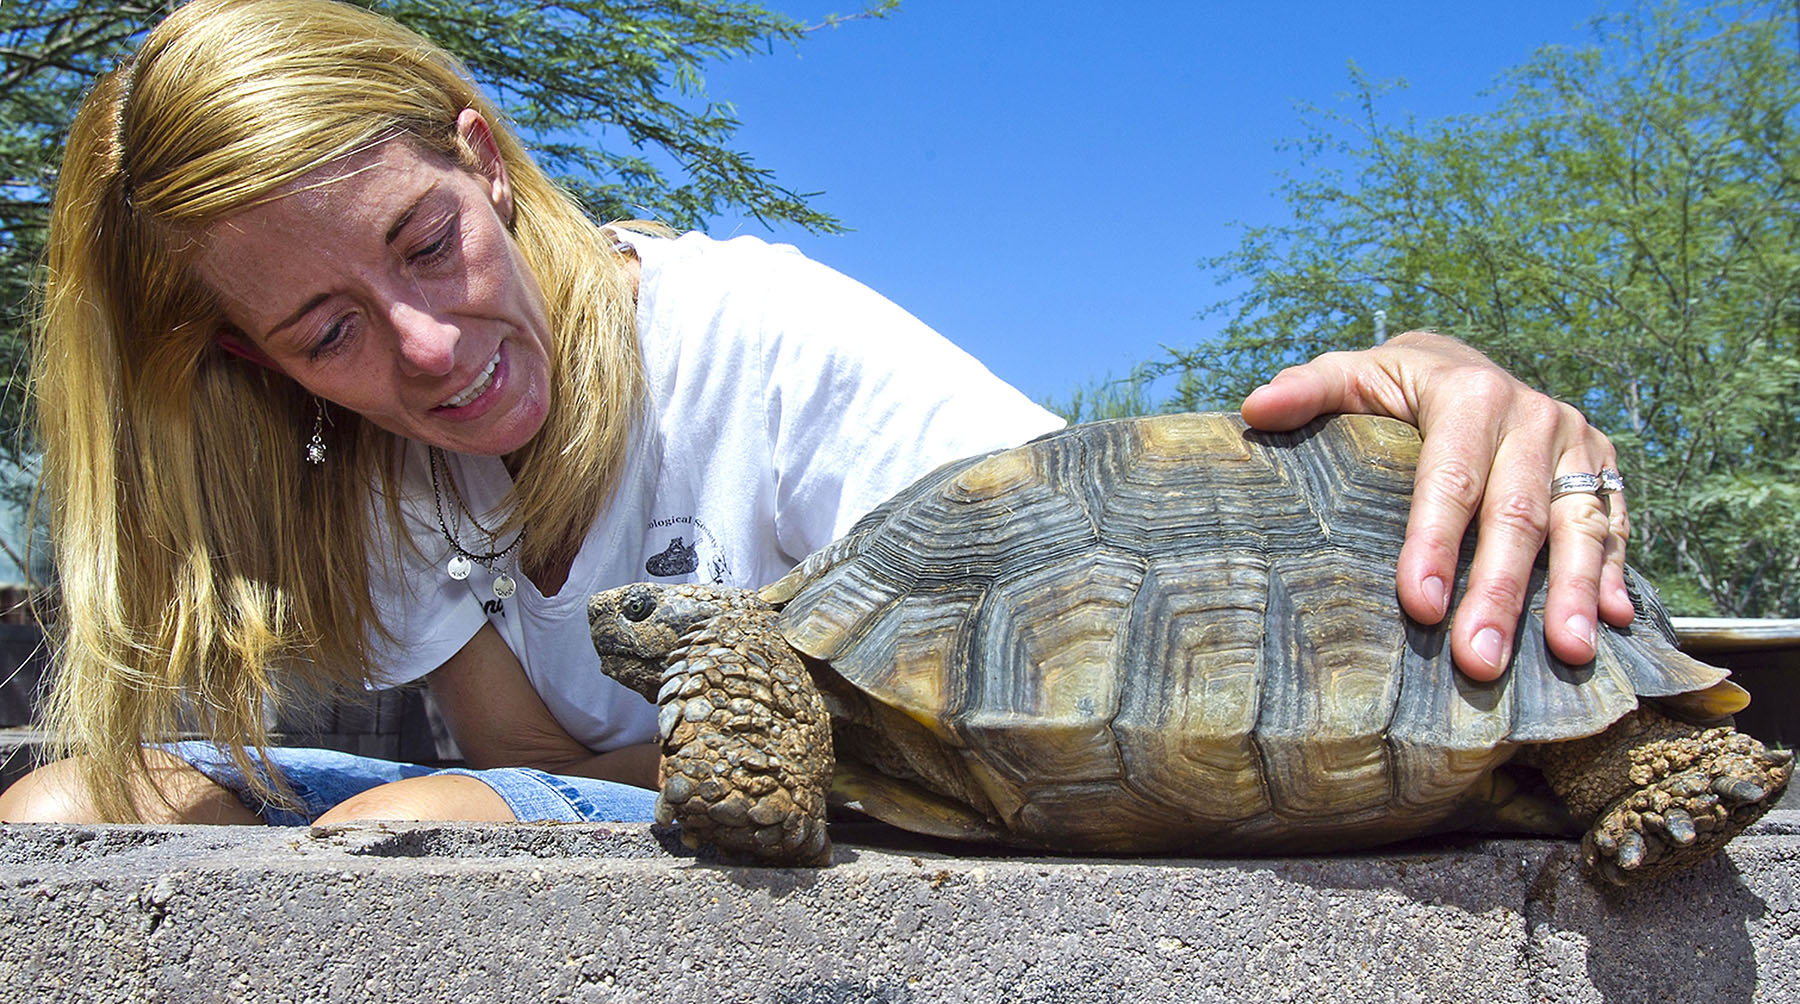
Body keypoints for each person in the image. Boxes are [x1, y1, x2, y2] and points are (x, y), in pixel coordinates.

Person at [0, 0, 1632, 827]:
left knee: (423, 829)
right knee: (70, 805)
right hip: (680, 810)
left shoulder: (763, 340)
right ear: (253, 364)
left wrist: (1419, 390)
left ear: (482, 156)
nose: (427, 351)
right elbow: (529, 759)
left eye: (428, 245)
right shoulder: (372, 465)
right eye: (327, 331)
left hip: (874, 816)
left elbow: (1085, 566)